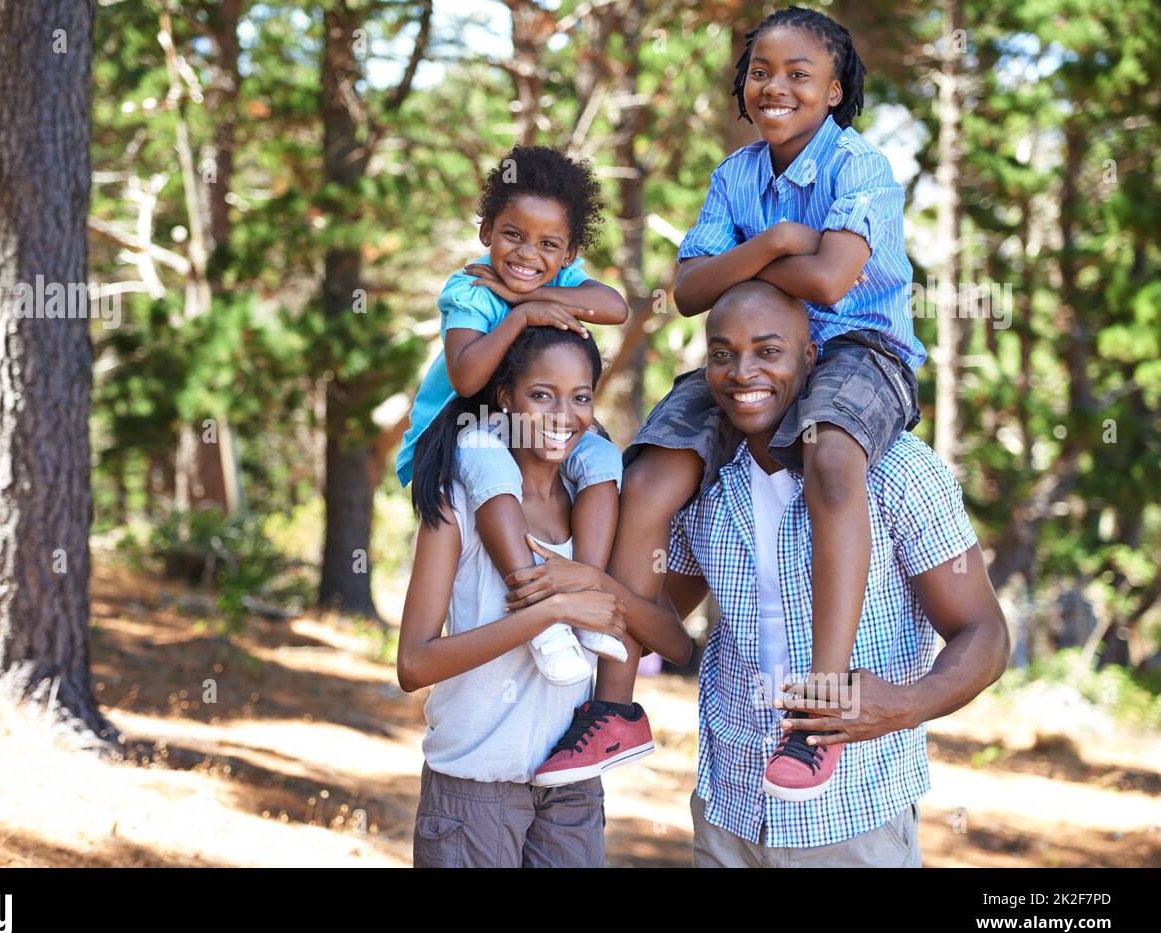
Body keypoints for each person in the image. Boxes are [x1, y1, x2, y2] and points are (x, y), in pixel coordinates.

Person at [534, 6, 928, 799]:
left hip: (857, 349)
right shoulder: (737, 175)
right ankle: (616, 706)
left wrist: (748, 268)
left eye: (797, 74)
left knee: (832, 456)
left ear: (834, 89)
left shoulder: (861, 168)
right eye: (760, 71)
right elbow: (688, 291)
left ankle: (818, 708)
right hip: (751, 357)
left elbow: (829, 284)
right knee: (648, 473)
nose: (774, 86)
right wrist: (779, 242)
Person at [666, 281, 1007, 864]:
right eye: (722, 354)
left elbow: (986, 634)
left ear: (809, 356)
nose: (742, 372)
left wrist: (906, 704)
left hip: (854, 821)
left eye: (767, 351)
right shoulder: (704, 480)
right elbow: (661, 615)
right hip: (729, 814)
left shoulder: (900, 472)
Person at [399, 326, 637, 866]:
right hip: (474, 787)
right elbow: (413, 665)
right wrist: (549, 611)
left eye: (580, 397)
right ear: (504, 398)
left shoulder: (595, 503)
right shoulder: (455, 502)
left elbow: (656, 629)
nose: (563, 414)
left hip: (570, 785)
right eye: (541, 394)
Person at [396, 145, 632, 689]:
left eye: (549, 244)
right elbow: (466, 377)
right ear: (485, 231)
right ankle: (537, 610)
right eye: (513, 235)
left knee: (599, 452)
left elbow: (616, 307)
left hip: (517, 425)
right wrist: (519, 310)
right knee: (486, 456)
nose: (528, 253)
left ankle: (584, 588)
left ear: (569, 251)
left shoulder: (558, 279)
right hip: (453, 434)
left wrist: (529, 290)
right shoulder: (471, 290)